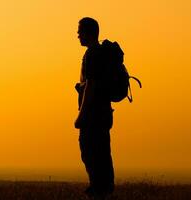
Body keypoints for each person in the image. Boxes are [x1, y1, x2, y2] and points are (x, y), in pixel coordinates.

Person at [75, 17, 114, 199]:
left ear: (89, 32)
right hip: (103, 116)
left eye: (80, 31)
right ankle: (103, 190)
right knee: (102, 155)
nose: (77, 35)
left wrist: (81, 116)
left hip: (92, 118)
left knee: (91, 155)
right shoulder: (100, 54)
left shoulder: (92, 55)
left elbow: (91, 86)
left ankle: (98, 191)